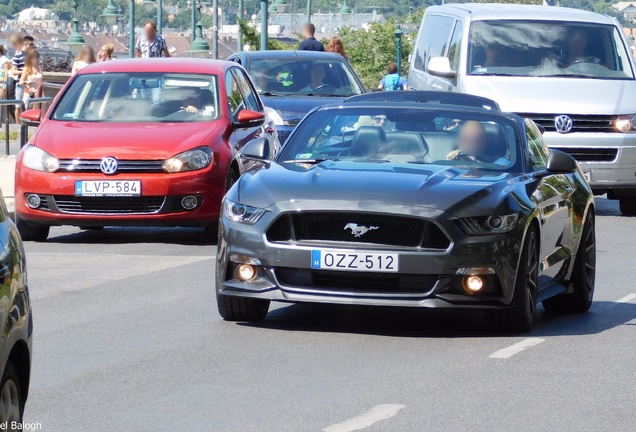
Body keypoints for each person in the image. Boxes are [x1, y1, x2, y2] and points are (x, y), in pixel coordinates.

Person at [9, 34, 26, 121]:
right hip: (20, 82)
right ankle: (18, 124)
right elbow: (14, 71)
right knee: (18, 105)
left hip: (28, 82)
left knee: (26, 105)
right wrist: (24, 72)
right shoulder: (17, 56)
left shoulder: (28, 54)